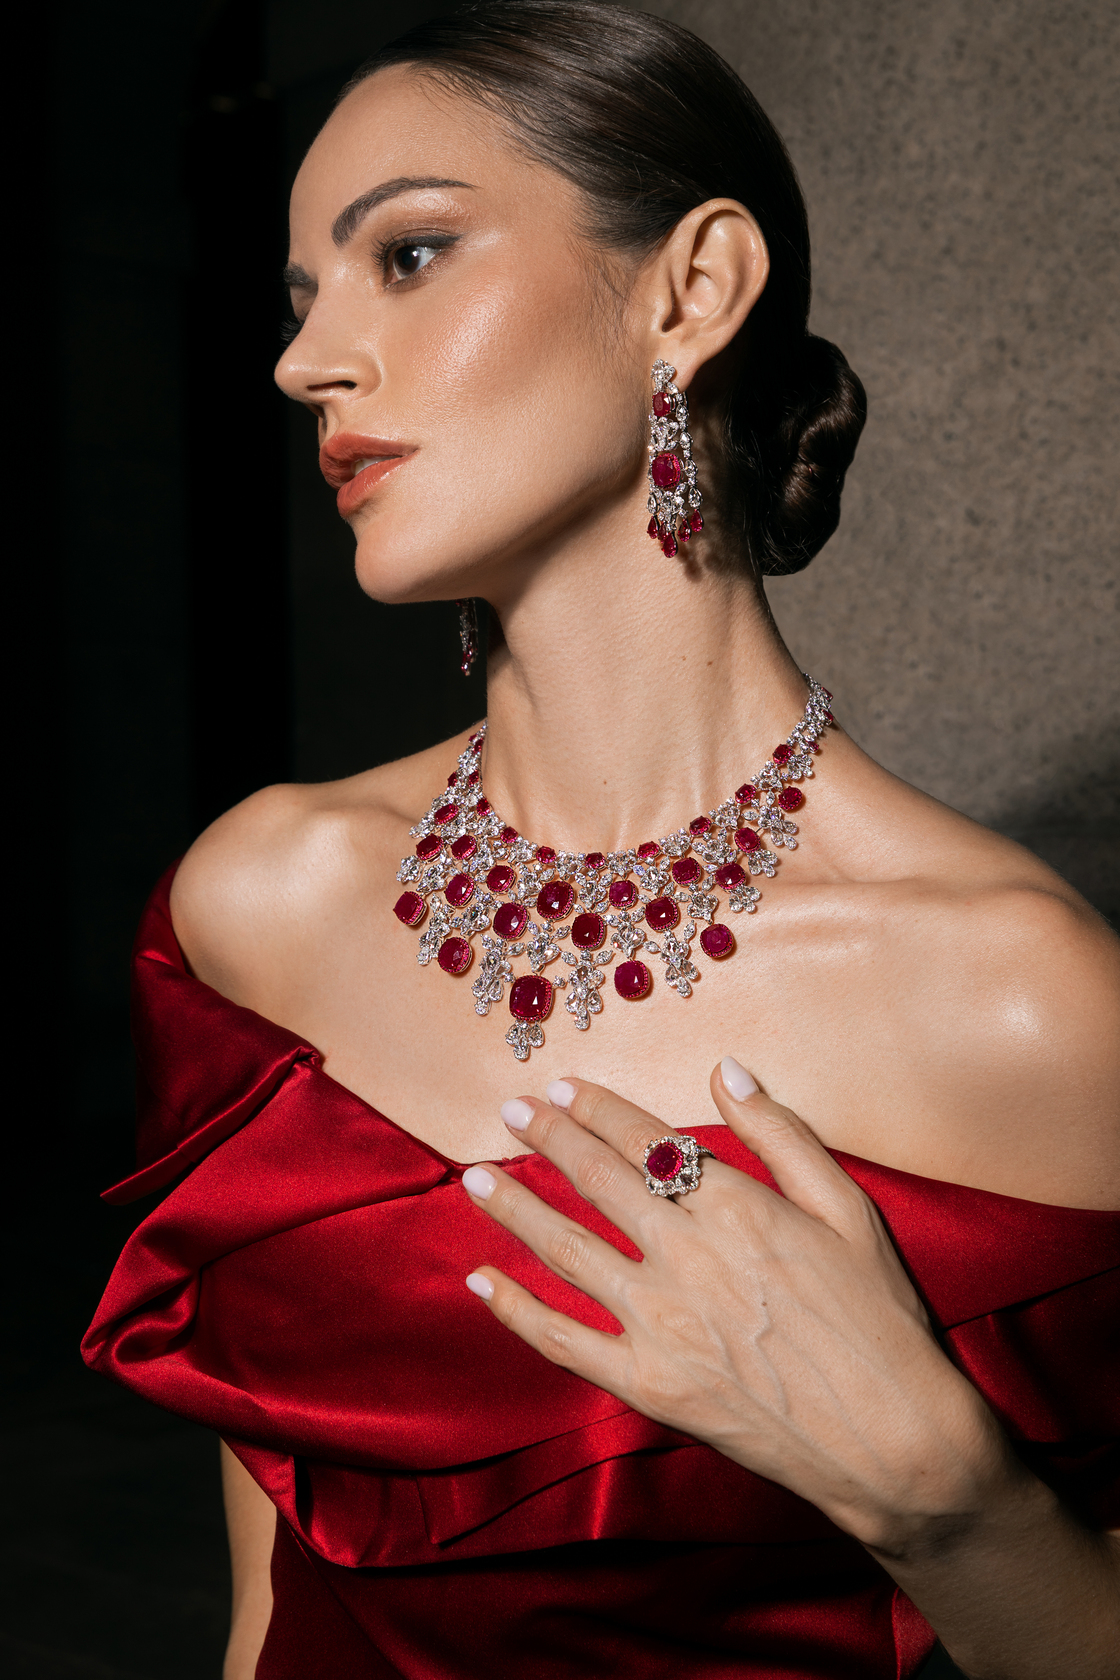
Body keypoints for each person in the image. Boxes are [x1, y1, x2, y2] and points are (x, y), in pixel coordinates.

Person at [82, 5, 1120, 1678]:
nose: (304, 363)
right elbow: (269, 1615)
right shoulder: (259, 906)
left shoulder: (1020, 1005)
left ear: (692, 290)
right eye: (300, 299)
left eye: (407, 256)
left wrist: (947, 1500)